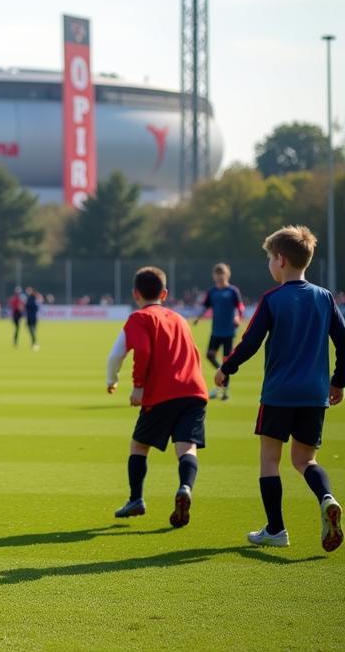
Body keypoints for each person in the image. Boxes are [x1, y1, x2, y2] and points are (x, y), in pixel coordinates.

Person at [214, 226, 344, 551]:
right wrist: (339, 381)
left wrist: (226, 367)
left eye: (270, 258)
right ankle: (326, 497)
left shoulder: (273, 299)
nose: (269, 264)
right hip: (315, 396)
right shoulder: (325, 298)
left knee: (270, 460)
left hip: (278, 394)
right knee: (305, 460)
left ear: (281, 260)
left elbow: (251, 342)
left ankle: (276, 530)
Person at [106, 265, 208, 527]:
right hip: (194, 391)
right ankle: (185, 487)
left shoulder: (139, 318)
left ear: (135, 294)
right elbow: (192, 354)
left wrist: (122, 382)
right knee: (187, 447)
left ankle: (136, 499)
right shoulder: (179, 318)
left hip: (162, 393)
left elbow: (125, 353)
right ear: (164, 293)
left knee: (139, 446)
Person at [194, 263, 244, 401]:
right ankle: (221, 371)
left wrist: (238, 316)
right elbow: (205, 306)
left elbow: (240, 306)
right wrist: (198, 318)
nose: (219, 277)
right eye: (217, 274)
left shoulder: (233, 291)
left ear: (226, 275)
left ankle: (225, 392)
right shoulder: (212, 292)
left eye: (222, 274)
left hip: (229, 332)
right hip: (216, 331)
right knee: (210, 356)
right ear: (214, 276)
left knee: (226, 359)